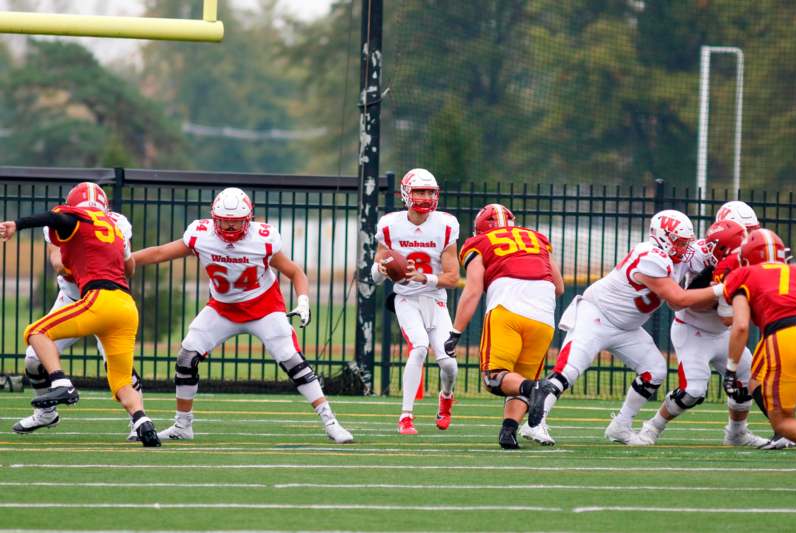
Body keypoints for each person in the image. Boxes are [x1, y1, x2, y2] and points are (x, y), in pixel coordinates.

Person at [132, 187, 353, 444]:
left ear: (248, 219)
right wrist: (124, 259)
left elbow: (295, 272)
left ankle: (331, 422)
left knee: (292, 360)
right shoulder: (200, 235)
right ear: (214, 218)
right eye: (224, 220)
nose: (228, 227)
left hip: (264, 308)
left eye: (235, 221)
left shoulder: (263, 238)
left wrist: (303, 300)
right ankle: (183, 426)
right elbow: (160, 253)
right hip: (223, 307)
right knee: (187, 356)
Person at [526, 210, 723, 445]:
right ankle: (534, 425)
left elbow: (711, 252)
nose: (684, 248)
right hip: (597, 316)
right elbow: (677, 300)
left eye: (686, 242)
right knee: (568, 371)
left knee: (655, 370)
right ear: (663, 237)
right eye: (679, 242)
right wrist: (723, 289)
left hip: (627, 327)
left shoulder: (681, 254)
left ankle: (620, 426)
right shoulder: (650, 255)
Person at [0, 182, 159, 447]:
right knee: (114, 375)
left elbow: (56, 227)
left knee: (35, 333)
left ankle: (62, 382)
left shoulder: (78, 218)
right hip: (117, 303)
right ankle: (141, 420)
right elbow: (64, 264)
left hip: (96, 298)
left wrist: (17, 224)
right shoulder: (112, 224)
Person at [635, 220, 768, 447]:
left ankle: (737, 433)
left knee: (748, 380)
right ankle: (653, 426)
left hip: (724, 333)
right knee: (693, 391)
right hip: (693, 330)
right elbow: (684, 302)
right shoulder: (694, 254)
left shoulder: (742, 261)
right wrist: (721, 291)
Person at [443, 204, 564, 449]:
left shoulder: (478, 243)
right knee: (519, 378)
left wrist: (455, 332)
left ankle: (536, 388)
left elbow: (473, 289)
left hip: (508, 308)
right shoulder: (538, 238)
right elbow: (559, 287)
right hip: (543, 314)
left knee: (494, 378)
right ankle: (509, 431)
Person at [372, 168, 461, 434]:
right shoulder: (389, 225)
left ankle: (446, 398)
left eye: (429, 192)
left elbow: (453, 277)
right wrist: (381, 270)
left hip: (434, 299)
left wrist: (425, 278)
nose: (424, 197)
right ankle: (406, 416)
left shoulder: (446, 225)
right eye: (419, 191)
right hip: (406, 298)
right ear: (406, 194)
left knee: (448, 364)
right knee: (419, 347)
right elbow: (375, 273)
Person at [723, 229, 796, 446]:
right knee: (757, 375)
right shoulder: (795, 271)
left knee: (783, 422)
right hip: (780, 335)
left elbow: (740, 326)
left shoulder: (743, 275)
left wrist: (730, 369)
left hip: (785, 335)